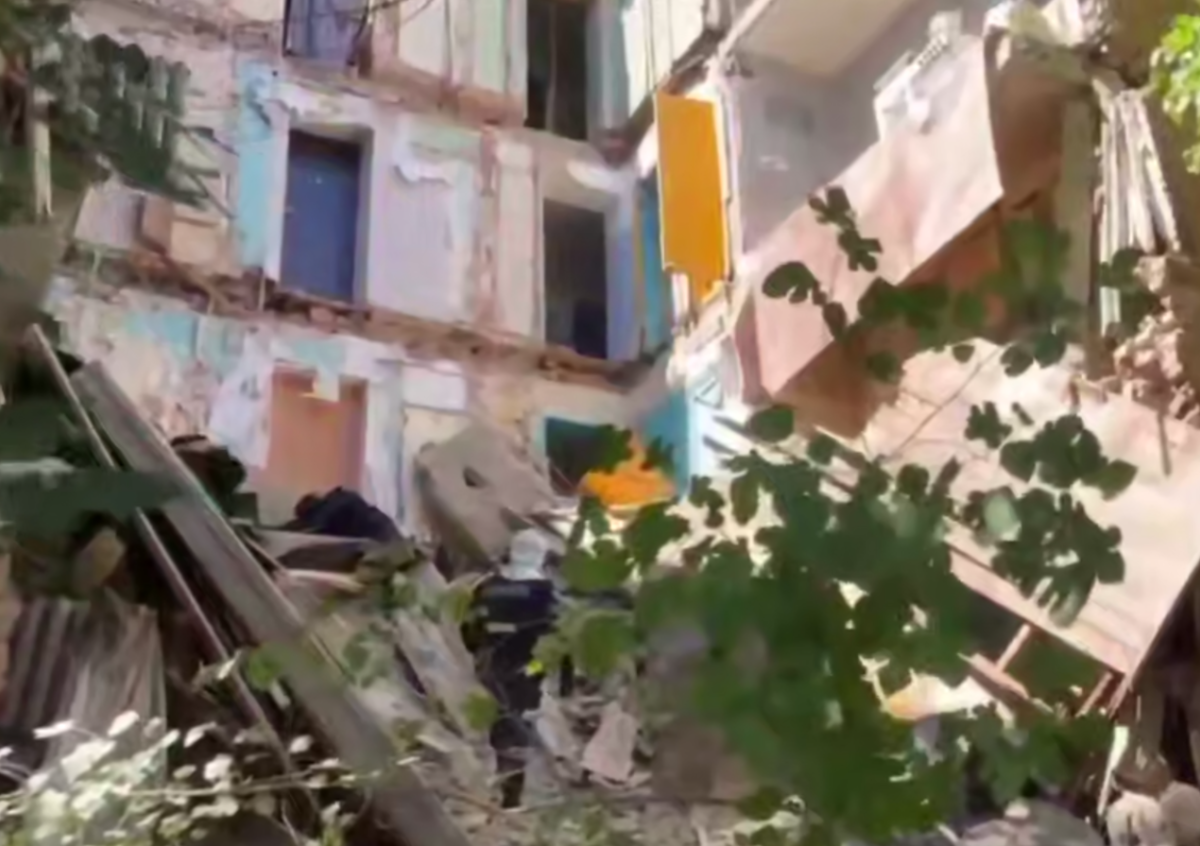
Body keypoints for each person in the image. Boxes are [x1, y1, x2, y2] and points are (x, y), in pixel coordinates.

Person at [461, 529, 569, 808]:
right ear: (541, 556)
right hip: (529, 667)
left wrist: (480, 651)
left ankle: (502, 781)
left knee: (499, 720)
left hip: (491, 664)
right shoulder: (545, 593)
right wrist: (561, 679)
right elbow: (559, 639)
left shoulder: (486, 587)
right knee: (519, 720)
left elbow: (469, 629)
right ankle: (511, 791)